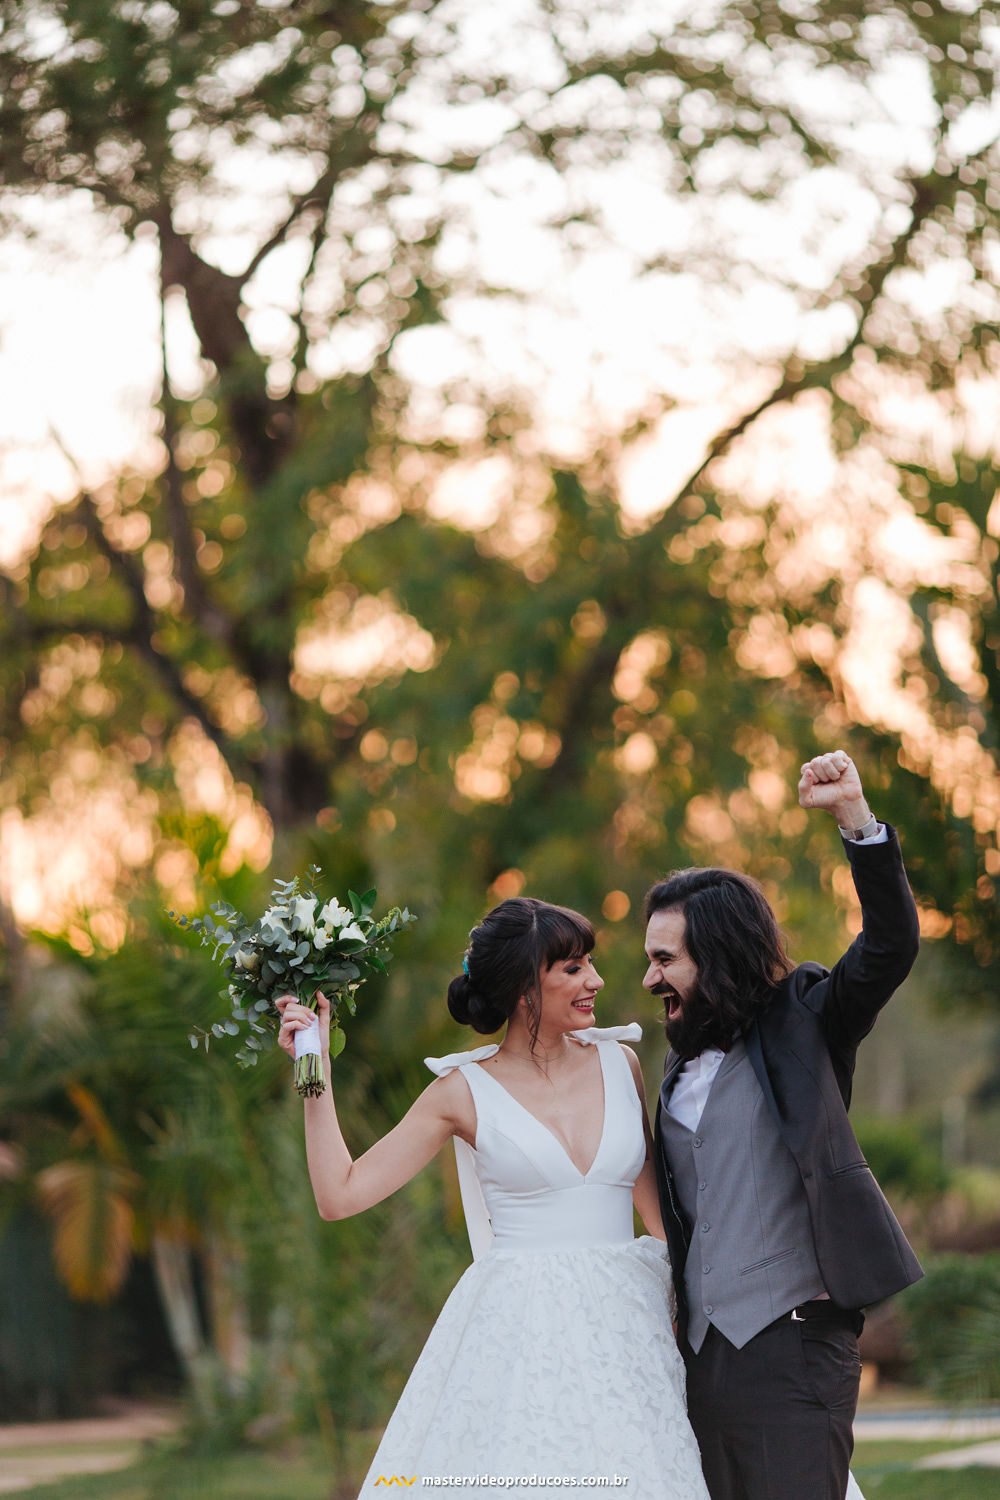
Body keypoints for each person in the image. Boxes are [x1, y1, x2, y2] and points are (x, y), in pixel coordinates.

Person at [277, 896, 711, 1499]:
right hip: (519, 1335)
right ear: (524, 986)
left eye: (589, 963)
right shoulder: (460, 1091)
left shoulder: (622, 1064)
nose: (596, 981)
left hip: (631, 1326)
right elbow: (340, 1194)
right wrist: (313, 1067)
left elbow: (658, 1213)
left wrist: (694, 1311)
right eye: (574, 968)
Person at [647, 749, 922, 1500]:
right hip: (703, 1355)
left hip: (797, 1342)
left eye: (665, 959)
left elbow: (890, 947)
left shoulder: (807, 1018)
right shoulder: (674, 1072)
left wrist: (854, 819)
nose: (650, 979)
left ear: (718, 952)